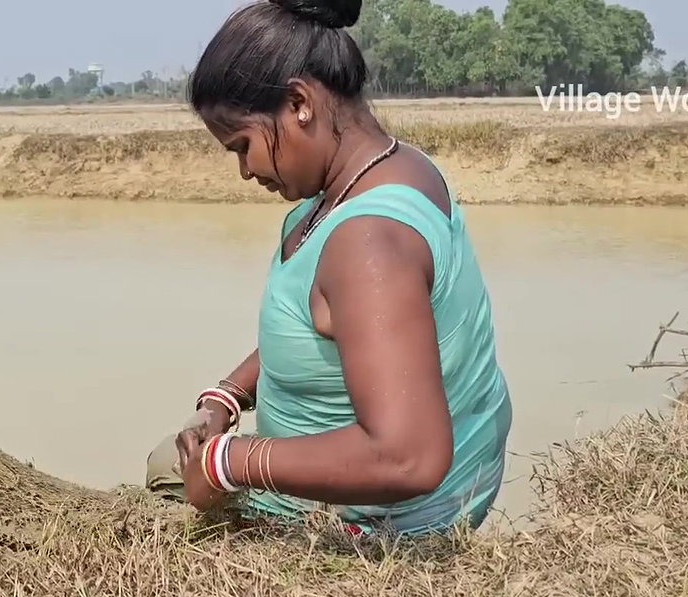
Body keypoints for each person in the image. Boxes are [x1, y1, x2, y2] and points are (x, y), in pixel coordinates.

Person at [144, 0, 513, 536]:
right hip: (432, 480)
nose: (245, 171)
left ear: (299, 102)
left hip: (384, 520)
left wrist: (229, 463)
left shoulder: (367, 242)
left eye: (243, 146)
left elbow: (407, 457)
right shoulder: (388, 170)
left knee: (164, 471)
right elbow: (341, 329)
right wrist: (225, 397)